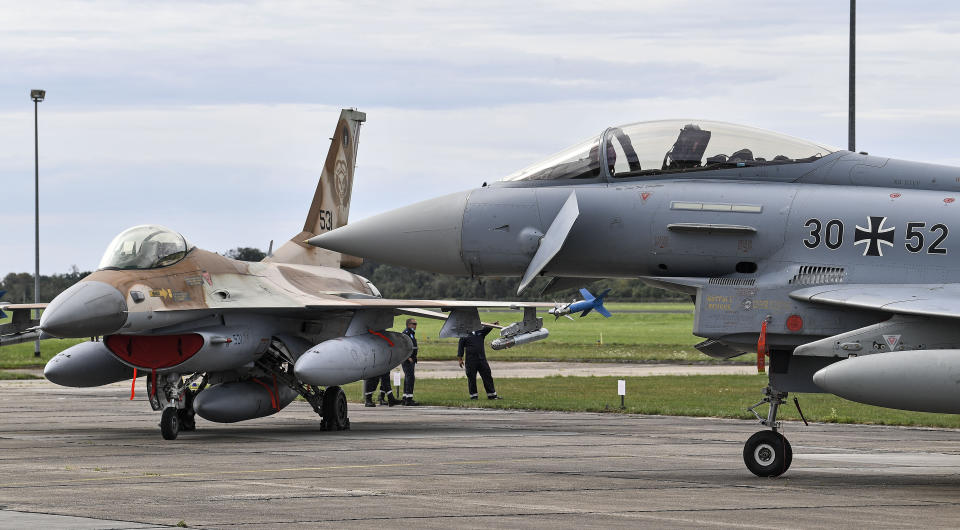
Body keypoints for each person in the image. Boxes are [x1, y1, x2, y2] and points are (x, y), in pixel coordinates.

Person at [457, 322, 502, 400]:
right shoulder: (464, 335)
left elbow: (487, 328)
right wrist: (460, 359)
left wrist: (493, 324)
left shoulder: (480, 332)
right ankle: (473, 396)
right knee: (471, 378)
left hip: (482, 359)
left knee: (487, 376)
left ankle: (492, 395)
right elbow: (460, 347)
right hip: (470, 361)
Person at [401, 318, 419, 405]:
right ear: (409, 325)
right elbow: (403, 347)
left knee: (408, 377)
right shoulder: (406, 334)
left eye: (416, 324)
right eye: (414, 324)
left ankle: (405, 397)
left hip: (412, 359)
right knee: (410, 378)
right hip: (408, 360)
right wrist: (408, 357)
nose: (415, 326)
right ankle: (409, 399)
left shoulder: (411, 333)